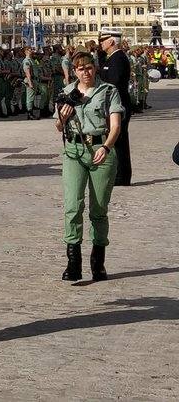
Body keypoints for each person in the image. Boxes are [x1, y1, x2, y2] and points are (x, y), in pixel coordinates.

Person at [56, 50, 122, 282]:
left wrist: (105, 147)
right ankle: (73, 262)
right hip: (74, 152)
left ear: (95, 68)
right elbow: (58, 127)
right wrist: (62, 118)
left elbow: (115, 126)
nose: (86, 72)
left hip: (100, 151)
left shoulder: (108, 91)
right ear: (74, 71)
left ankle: (98, 260)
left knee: (98, 209)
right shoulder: (66, 93)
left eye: (89, 67)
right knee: (72, 205)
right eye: (81, 68)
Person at [97, 28, 132, 186]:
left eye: (103, 40)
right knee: (118, 140)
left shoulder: (118, 58)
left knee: (119, 140)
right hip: (113, 105)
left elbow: (114, 82)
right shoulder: (111, 58)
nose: (101, 44)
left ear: (111, 41)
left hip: (117, 105)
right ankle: (120, 174)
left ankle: (122, 176)